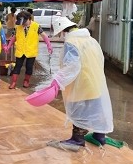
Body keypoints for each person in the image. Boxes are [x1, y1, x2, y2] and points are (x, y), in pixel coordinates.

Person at [37, 16, 113, 152]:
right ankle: (99, 135)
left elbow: (71, 66)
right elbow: (100, 59)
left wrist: (58, 80)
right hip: (95, 80)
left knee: (80, 110)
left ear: (63, 30)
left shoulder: (71, 42)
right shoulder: (91, 40)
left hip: (82, 83)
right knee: (95, 109)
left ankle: (77, 139)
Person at [5, 10, 52, 89]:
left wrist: (49, 45)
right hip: (20, 50)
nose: (22, 24)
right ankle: (13, 82)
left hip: (31, 50)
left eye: (23, 22)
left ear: (28, 19)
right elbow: (14, 37)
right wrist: (9, 46)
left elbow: (44, 36)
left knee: (29, 67)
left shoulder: (36, 26)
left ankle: (26, 81)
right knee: (17, 66)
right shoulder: (18, 27)